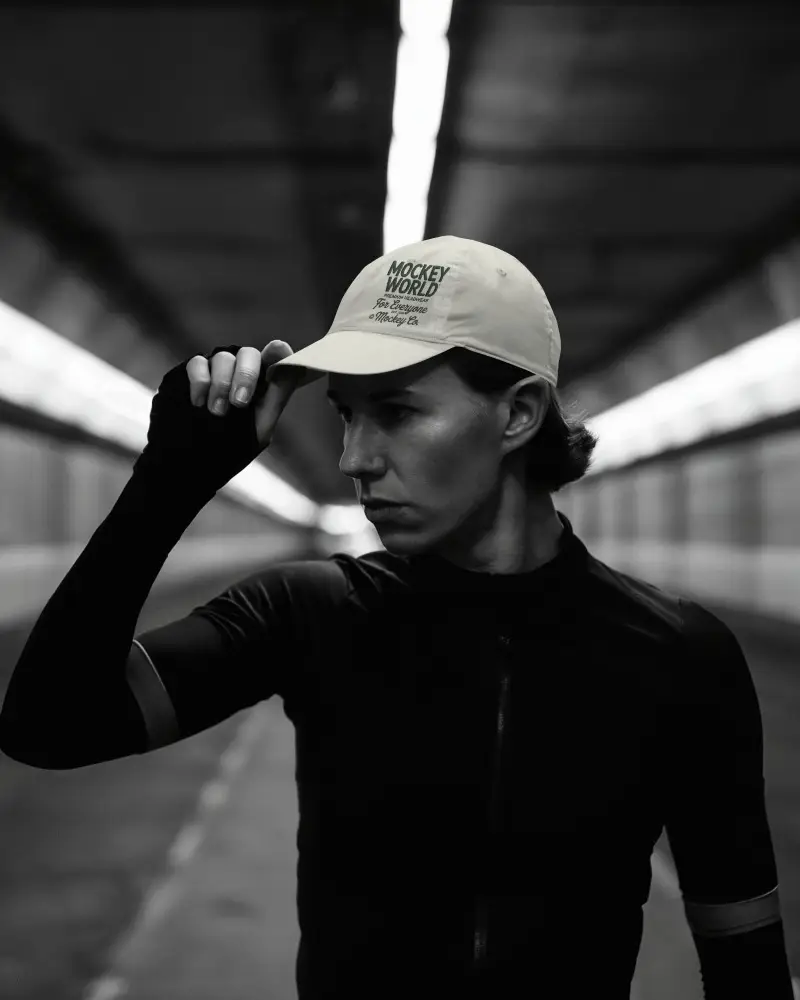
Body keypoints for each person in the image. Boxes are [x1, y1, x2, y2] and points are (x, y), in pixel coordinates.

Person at [0, 235, 794, 998]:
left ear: (518, 415)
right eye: (347, 414)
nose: (355, 458)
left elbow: (744, 956)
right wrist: (168, 483)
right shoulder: (309, 612)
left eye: (398, 412)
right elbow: (50, 725)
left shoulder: (678, 654)